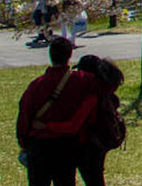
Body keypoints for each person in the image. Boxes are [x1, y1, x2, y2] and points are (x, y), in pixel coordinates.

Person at [16, 38, 100, 186]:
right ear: (70, 55)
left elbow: (24, 115)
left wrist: (24, 142)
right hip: (67, 146)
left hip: (40, 146)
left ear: (50, 55)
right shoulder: (82, 81)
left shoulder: (37, 85)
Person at [42, 55, 125, 186]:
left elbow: (74, 124)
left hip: (86, 145)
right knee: (96, 178)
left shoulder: (90, 95)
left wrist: (47, 126)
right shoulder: (106, 93)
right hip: (99, 144)